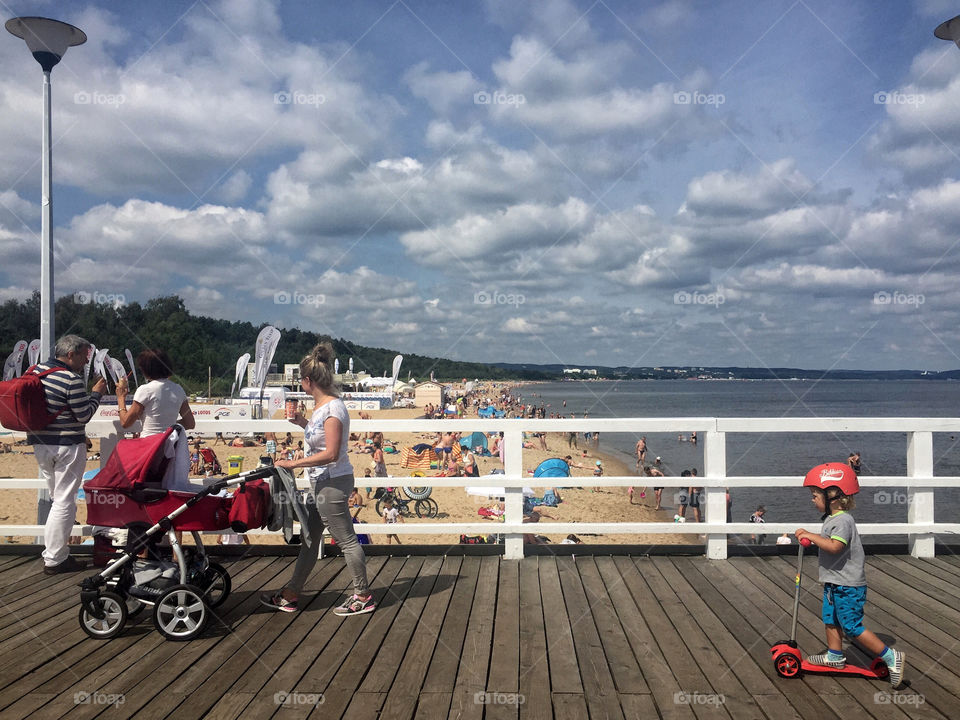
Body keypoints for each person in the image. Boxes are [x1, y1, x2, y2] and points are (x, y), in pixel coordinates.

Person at [261, 343, 373, 616]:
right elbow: (321, 438)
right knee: (310, 538)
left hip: (331, 481)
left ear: (309, 381)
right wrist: (302, 423)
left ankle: (363, 595)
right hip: (322, 482)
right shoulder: (324, 406)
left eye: (301, 380)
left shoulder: (332, 409)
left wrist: (293, 463)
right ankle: (291, 594)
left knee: (345, 539)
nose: (300, 384)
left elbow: (332, 453)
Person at [795, 462, 905, 688]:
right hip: (834, 582)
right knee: (830, 619)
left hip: (848, 585)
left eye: (815, 495)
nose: (812, 499)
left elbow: (835, 546)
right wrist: (810, 535)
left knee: (851, 625)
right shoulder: (832, 520)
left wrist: (811, 536)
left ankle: (891, 657)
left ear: (833, 496)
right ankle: (835, 656)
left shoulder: (844, 520)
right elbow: (828, 539)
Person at [28, 335, 106, 574]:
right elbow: (83, 415)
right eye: (83, 356)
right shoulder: (70, 379)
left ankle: (54, 553)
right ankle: (55, 559)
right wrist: (96, 394)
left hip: (41, 444)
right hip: (67, 446)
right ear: (71, 354)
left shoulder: (35, 371)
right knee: (64, 502)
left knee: (56, 500)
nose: (85, 362)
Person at [116, 349, 195, 436]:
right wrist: (167, 426)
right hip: (170, 444)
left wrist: (120, 398)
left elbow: (125, 422)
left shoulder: (145, 390)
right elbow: (190, 423)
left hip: (150, 444)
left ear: (146, 369)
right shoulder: (178, 389)